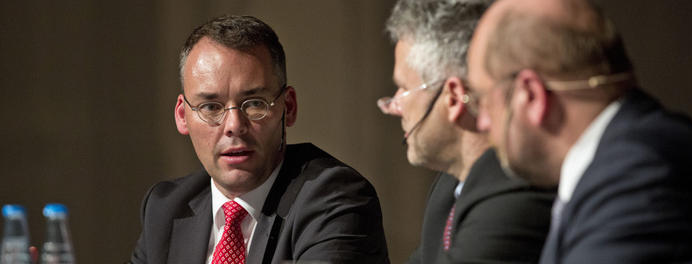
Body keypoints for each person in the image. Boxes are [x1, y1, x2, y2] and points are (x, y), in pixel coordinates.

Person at [130, 15, 389, 264]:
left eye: (254, 104)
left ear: (288, 107)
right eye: (210, 107)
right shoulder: (166, 208)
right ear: (182, 115)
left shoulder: (335, 198)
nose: (234, 126)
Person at [467, 0, 692, 262]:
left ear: (531, 95)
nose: (482, 123)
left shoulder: (635, 177)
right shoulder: (626, 158)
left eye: (483, 101)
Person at [379, 0, 554, 263]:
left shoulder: (515, 194)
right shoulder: (448, 187)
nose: (393, 106)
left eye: (404, 88)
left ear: (453, 97)